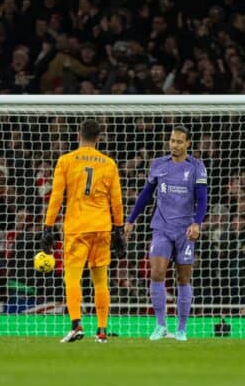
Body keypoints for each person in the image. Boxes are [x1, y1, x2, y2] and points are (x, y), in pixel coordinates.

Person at [41, 119, 125, 343]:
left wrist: (48, 226)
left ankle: (76, 325)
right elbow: (116, 201)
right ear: (99, 138)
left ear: (79, 134)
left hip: (77, 227)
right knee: (100, 281)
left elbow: (56, 196)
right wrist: (119, 229)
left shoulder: (66, 161)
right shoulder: (108, 164)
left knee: (73, 278)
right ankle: (102, 331)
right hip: (101, 226)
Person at [124, 126, 208, 341]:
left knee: (183, 278)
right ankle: (160, 324)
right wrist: (131, 220)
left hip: (185, 231)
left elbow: (202, 198)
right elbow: (145, 194)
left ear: (188, 144)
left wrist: (197, 223)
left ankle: (181, 328)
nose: (175, 145)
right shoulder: (158, 164)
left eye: (180, 141)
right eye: (172, 140)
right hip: (161, 227)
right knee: (156, 273)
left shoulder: (197, 167)